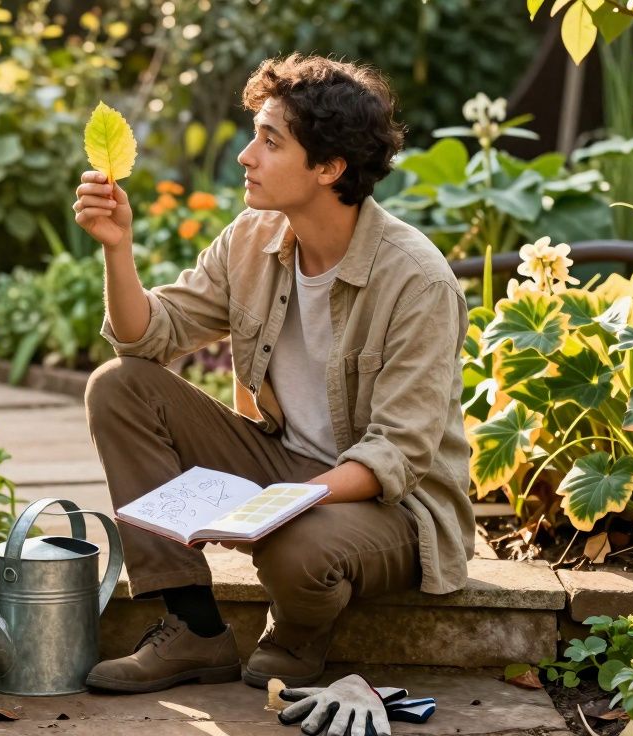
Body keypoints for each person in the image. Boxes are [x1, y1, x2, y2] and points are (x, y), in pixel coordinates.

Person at [73, 54, 474, 700]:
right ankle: (193, 627)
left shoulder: (416, 281)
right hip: (287, 463)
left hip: (392, 508)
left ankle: (296, 636)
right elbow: (149, 335)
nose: (245, 158)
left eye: (269, 141)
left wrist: (277, 509)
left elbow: (396, 453)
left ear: (329, 167)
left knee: (298, 545)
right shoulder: (251, 239)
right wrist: (116, 247)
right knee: (120, 386)